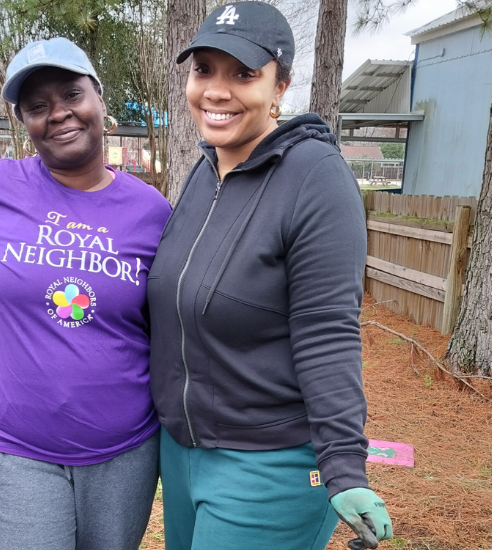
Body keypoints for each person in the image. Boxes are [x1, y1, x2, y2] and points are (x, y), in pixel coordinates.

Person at [146, 3, 393, 549]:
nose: (215, 90)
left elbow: (327, 331)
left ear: (280, 86)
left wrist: (345, 465)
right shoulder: (205, 171)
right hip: (183, 455)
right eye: (203, 69)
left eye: (243, 73)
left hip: (269, 465)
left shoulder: (316, 179)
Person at [0, 37, 171, 550]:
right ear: (24, 121)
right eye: (37, 106)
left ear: (99, 100)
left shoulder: (151, 211)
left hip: (123, 451)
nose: (59, 113)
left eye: (71, 94)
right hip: (13, 445)